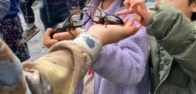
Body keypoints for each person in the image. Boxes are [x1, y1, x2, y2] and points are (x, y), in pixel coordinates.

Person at [0, 18, 141, 94]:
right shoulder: (91, 8)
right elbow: (29, 85)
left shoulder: (134, 21)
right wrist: (90, 42)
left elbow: (133, 70)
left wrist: (78, 41)